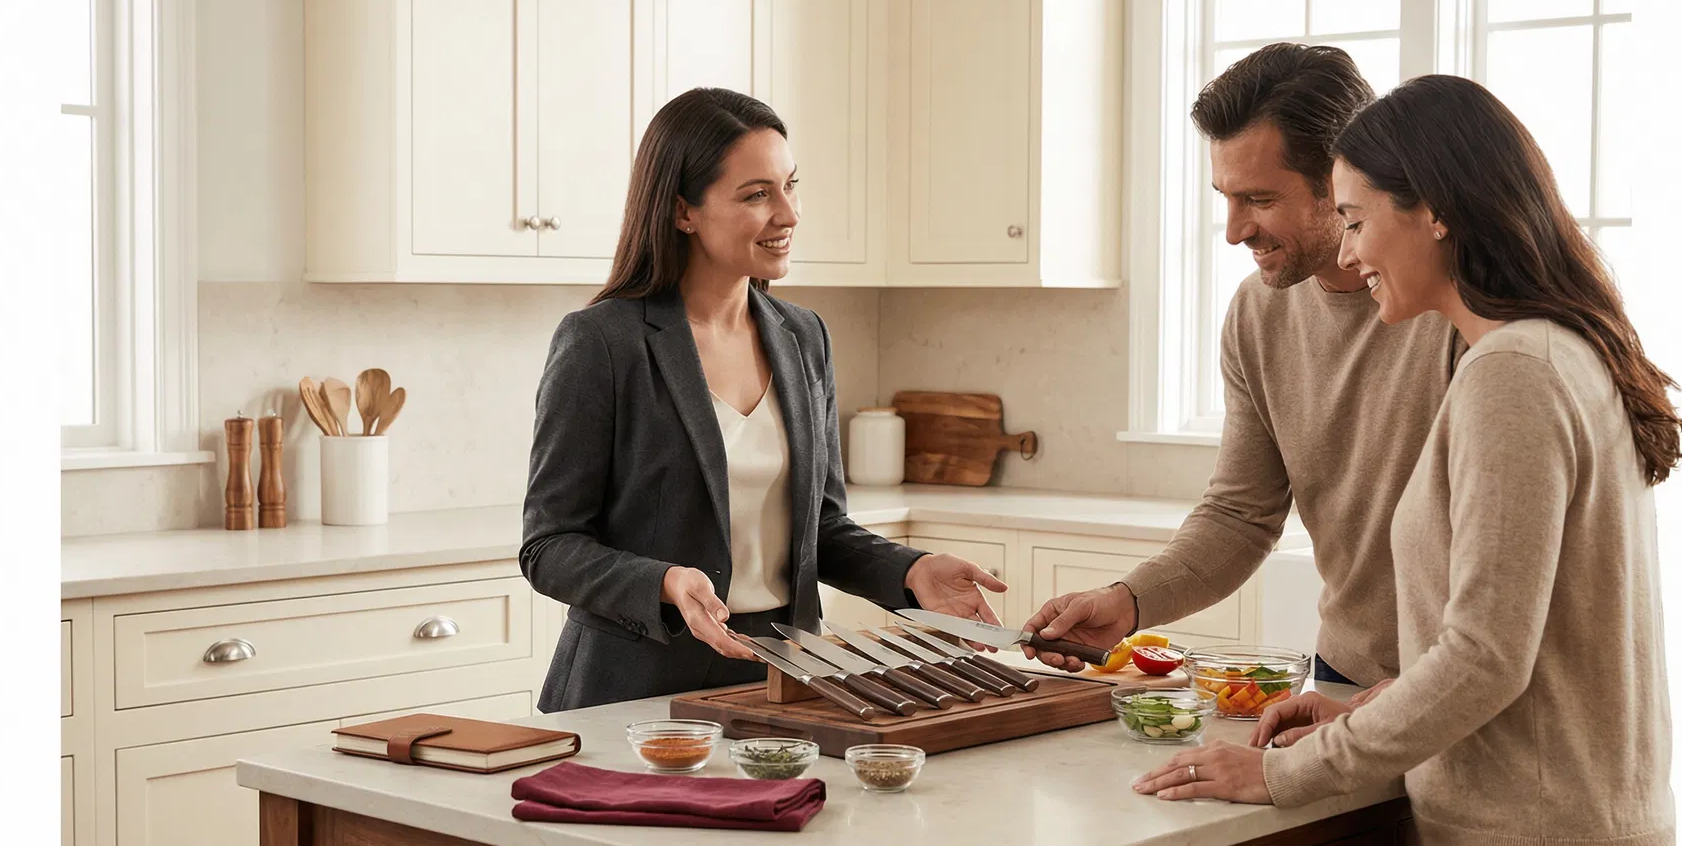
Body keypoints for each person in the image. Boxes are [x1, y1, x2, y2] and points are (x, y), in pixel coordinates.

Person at [1134, 75, 1681, 846]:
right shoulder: (1556, 348)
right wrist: (1370, 701)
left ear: (1431, 213)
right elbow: (1524, 633)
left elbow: (1484, 656)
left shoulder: (1508, 372)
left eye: (1355, 217)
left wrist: (1282, 773)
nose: (1348, 250)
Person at [520, 88, 1003, 710]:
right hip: (634, 694)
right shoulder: (603, 343)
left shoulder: (803, 336)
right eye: (756, 195)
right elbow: (549, 546)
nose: (789, 214)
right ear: (682, 212)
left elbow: (820, 529)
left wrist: (910, 571)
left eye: (789, 186)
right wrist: (662, 581)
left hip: (784, 679)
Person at [1021, 43, 1459, 695]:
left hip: (1457, 682)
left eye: (1257, 198)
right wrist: (1128, 602)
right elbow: (1240, 514)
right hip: (1348, 670)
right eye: (1225, 196)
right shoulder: (1259, 313)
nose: (1232, 231)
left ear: (1344, 181)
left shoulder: (1459, 309)